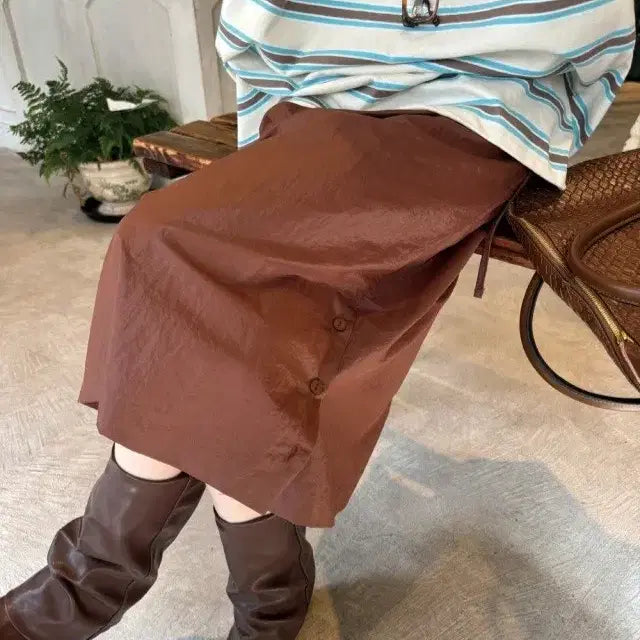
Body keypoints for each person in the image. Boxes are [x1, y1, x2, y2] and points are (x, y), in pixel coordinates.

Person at [1, 1, 635, 639]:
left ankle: (96, 583)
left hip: (470, 104)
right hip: (318, 97)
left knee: (164, 242)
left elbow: (584, 29)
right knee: (255, 322)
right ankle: (264, 604)